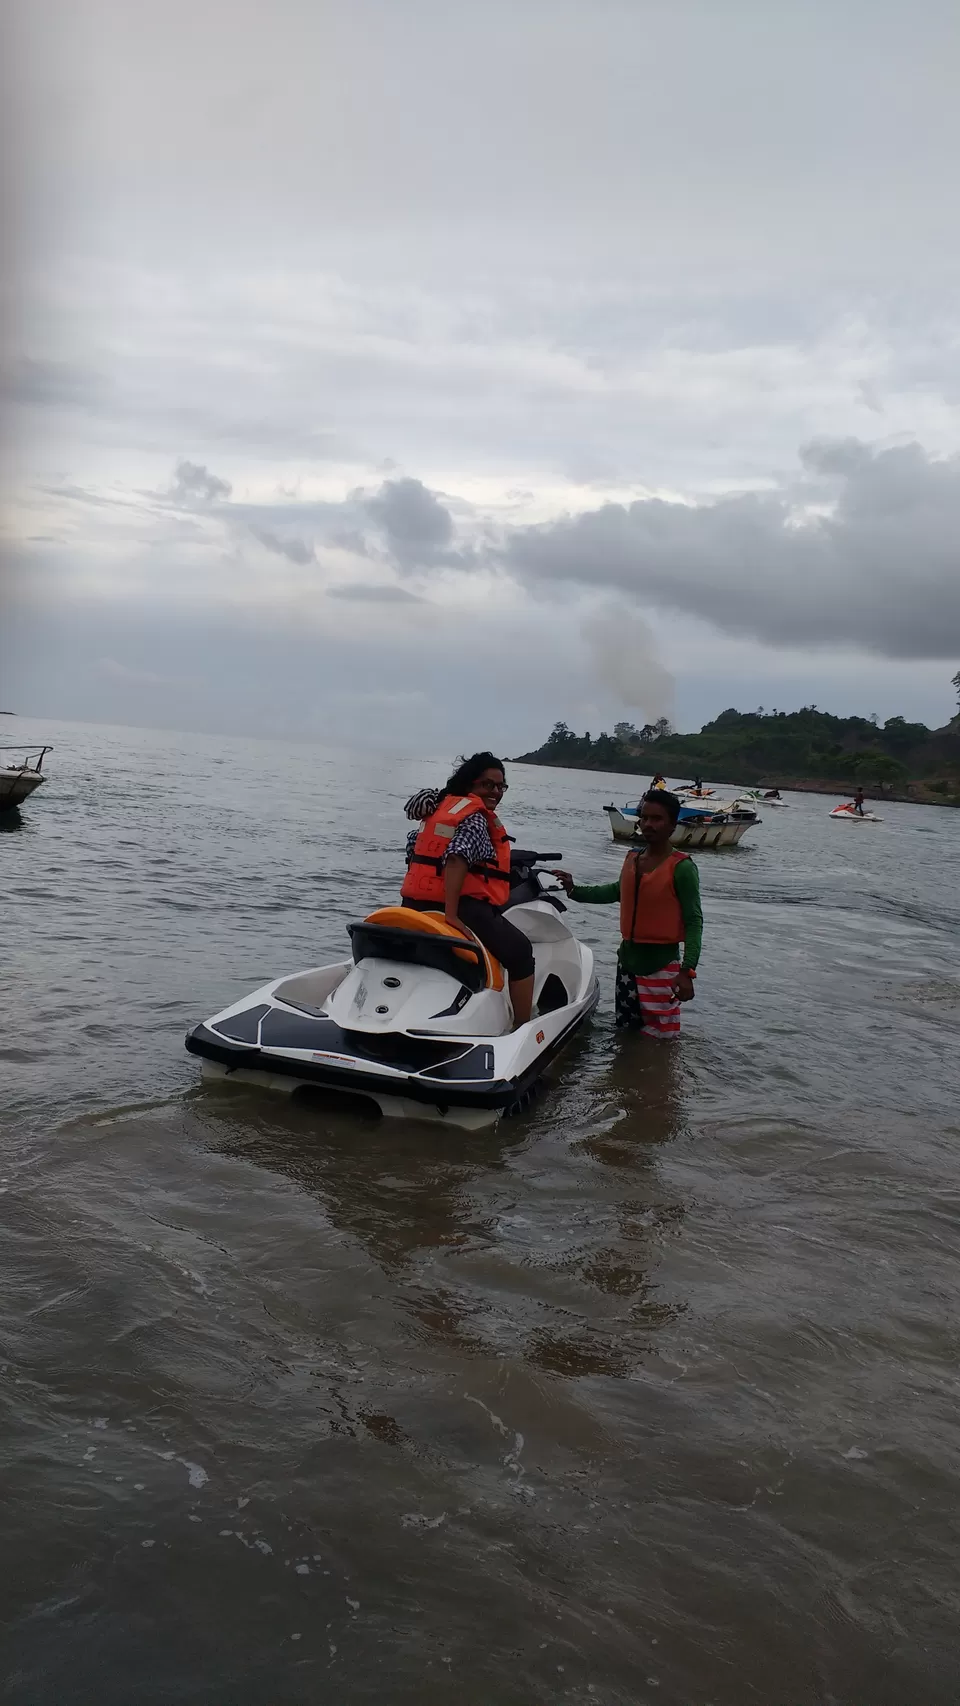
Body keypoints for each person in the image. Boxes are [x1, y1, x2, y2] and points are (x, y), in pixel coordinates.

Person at [552, 791, 702, 1039]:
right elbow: (616, 891)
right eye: (644, 818)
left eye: (657, 819)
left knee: (661, 1041)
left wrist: (687, 971)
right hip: (627, 964)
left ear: (673, 825)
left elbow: (694, 921)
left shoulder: (683, 868)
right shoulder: (633, 857)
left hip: (661, 968)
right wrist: (574, 890)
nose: (649, 824)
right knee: (625, 1035)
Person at [401, 753, 536, 1028]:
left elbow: (414, 852)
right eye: (488, 785)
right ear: (470, 784)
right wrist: (451, 915)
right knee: (521, 953)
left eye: (501, 787)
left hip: (412, 905)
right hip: (461, 907)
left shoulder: (438, 808)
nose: (496, 792)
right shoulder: (475, 818)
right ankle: (522, 1026)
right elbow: (456, 858)